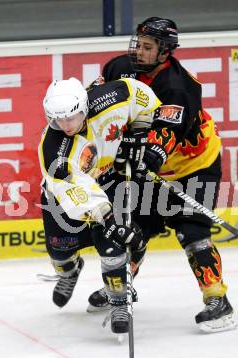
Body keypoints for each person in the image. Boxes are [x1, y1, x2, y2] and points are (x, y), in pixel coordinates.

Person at [87, 17, 237, 333]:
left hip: (195, 166)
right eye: (137, 44)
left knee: (192, 233)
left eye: (147, 46)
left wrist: (146, 156)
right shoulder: (119, 68)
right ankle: (124, 284)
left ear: (165, 51)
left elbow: (164, 136)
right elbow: (96, 101)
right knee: (135, 226)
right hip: (151, 168)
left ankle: (217, 301)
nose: (138, 51)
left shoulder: (180, 86)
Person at [38, 76, 166, 334]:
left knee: (113, 250)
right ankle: (69, 273)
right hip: (65, 200)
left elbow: (141, 96)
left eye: (70, 117)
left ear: (84, 107)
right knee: (59, 254)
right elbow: (76, 192)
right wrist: (109, 219)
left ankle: (118, 301)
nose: (64, 125)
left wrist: (139, 130)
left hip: (109, 183)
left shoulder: (112, 96)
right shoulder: (54, 148)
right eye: (57, 119)